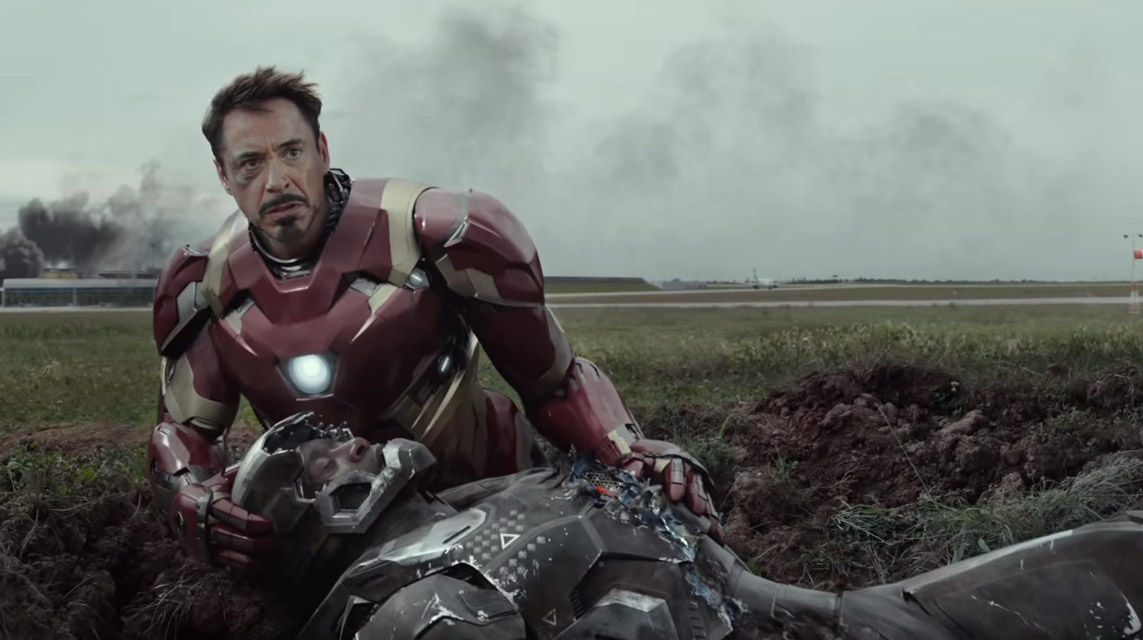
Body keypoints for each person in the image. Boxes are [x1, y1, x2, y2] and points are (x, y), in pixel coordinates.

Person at [146, 66, 718, 570]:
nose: (276, 181)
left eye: (291, 152)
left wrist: (624, 449)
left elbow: (555, 381)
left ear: (321, 149)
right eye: (250, 163)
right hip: (329, 542)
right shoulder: (203, 284)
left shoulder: (439, 232)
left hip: (495, 495)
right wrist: (195, 500)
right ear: (223, 175)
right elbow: (185, 434)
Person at [234, 416, 1143, 640]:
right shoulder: (396, 600)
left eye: (337, 436)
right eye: (320, 460)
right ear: (304, 520)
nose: (349, 446)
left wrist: (658, 466)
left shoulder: (479, 497)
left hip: (808, 614)